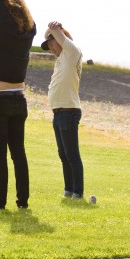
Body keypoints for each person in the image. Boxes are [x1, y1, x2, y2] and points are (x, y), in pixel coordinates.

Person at [0, 0, 40, 209]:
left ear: (5, 11)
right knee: (18, 153)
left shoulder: (5, 29)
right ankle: (22, 202)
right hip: (19, 100)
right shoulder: (29, 31)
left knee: (0, 156)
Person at [41, 21, 85, 200]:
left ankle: (78, 191)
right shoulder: (60, 60)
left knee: (72, 153)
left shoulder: (72, 53)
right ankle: (68, 189)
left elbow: (62, 38)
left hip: (69, 111)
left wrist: (55, 28)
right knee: (63, 154)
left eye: (52, 43)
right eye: (49, 45)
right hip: (58, 113)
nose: (51, 47)